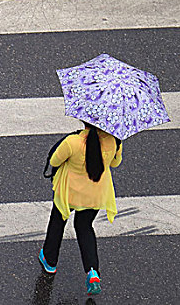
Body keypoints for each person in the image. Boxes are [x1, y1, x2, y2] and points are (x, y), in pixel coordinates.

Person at [38, 121, 123, 295]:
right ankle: (92, 272)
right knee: (84, 228)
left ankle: (50, 261)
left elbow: (54, 161)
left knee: (58, 222)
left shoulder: (73, 142)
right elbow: (115, 163)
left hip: (69, 192)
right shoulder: (113, 141)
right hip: (95, 194)